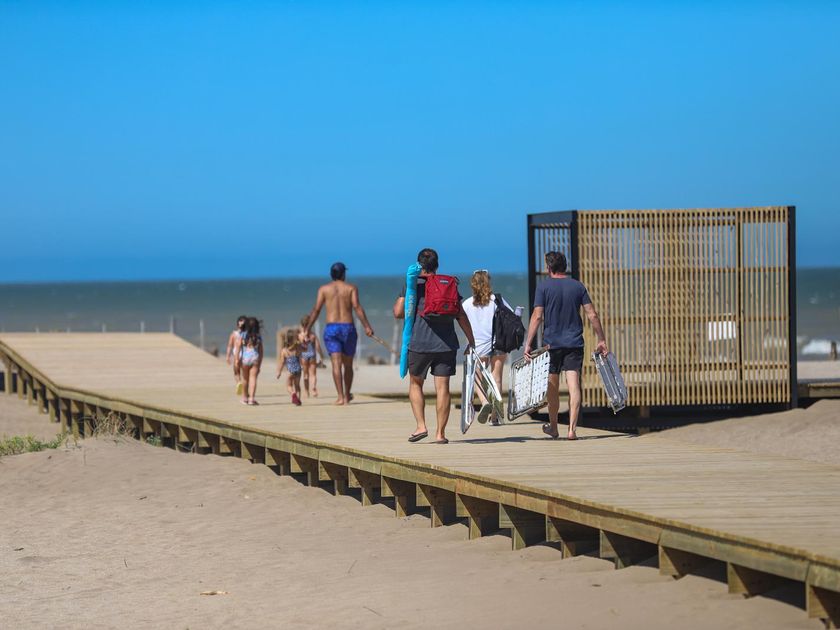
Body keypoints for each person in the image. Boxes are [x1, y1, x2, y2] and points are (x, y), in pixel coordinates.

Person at [393, 248, 476, 444]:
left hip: (419, 343)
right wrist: (472, 341)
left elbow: (398, 312)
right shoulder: (448, 284)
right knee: (443, 388)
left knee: (416, 384)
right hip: (446, 345)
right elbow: (461, 315)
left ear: (419, 264)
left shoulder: (413, 284)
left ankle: (421, 426)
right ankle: (440, 434)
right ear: (436, 265)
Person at [524, 251, 608, 440]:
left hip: (551, 345)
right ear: (565, 266)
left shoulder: (543, 287)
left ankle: (554, 427)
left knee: (552, 387)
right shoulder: (577, 286)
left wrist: (528, 344)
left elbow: (537, 316)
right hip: (574, 343)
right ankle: (572, 429)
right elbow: (592, 314)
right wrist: (601, 339)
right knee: (573, 384)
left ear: (549, 268)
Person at [303, 262, 374, 406]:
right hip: (348, 327)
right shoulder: (351, 288)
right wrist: (367, 326)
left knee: (336, 364)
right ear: (343, 274)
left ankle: (340, 397)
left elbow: (316, 310)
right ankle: (347, 396)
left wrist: (307, 329)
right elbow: (357, 307)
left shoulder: (324, 289)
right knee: (348, 364)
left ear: (331, 274)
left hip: (332, 328)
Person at [461, 270, 513, 425]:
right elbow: (512, 316)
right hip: (499, 343)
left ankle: (484, 402)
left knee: (477, 376)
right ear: (488, 282)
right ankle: (496, 417)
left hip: (478, 346)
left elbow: (462, 323)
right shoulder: (497, 300)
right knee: (496, 378)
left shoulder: (467, 304)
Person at [234, 317, 264, 406]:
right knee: (253, 379)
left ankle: (245, 398)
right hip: (255, 358)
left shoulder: (243, 334)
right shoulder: (258, 337)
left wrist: (236, 359)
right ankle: (251, 399)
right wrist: (259, 363)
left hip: (245, 359)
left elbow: (238, 347)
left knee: (245, 379)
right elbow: (261, 351)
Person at [298, 316, 325, 398]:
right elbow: (318, 346)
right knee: (313, 374)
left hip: (304, 356)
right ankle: (313, 388)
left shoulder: (300, 336)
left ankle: (306, 392)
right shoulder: (313, 335)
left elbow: (297, 348)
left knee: (305, 374)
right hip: (312, 354)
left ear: (302, 325)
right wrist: (321, 356)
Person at [277, 328, 303, 406]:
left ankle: (293, 394)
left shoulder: (284, 351)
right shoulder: (298, 347)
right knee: (297, 386)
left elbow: (282, 362)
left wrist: (279, 372)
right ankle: (298, 400)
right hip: (298, 369)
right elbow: (304, 349)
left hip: (290, 371)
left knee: (289, 386)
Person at [225, 315, 247, 395]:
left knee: (236, 372)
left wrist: (227, 356)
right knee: (245, 374)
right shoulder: (247, 334)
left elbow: (229, 346)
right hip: (245, 356)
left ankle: (238, 383)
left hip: (237, 355)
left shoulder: (234, 334)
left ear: (237, 325)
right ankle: (245, 390)